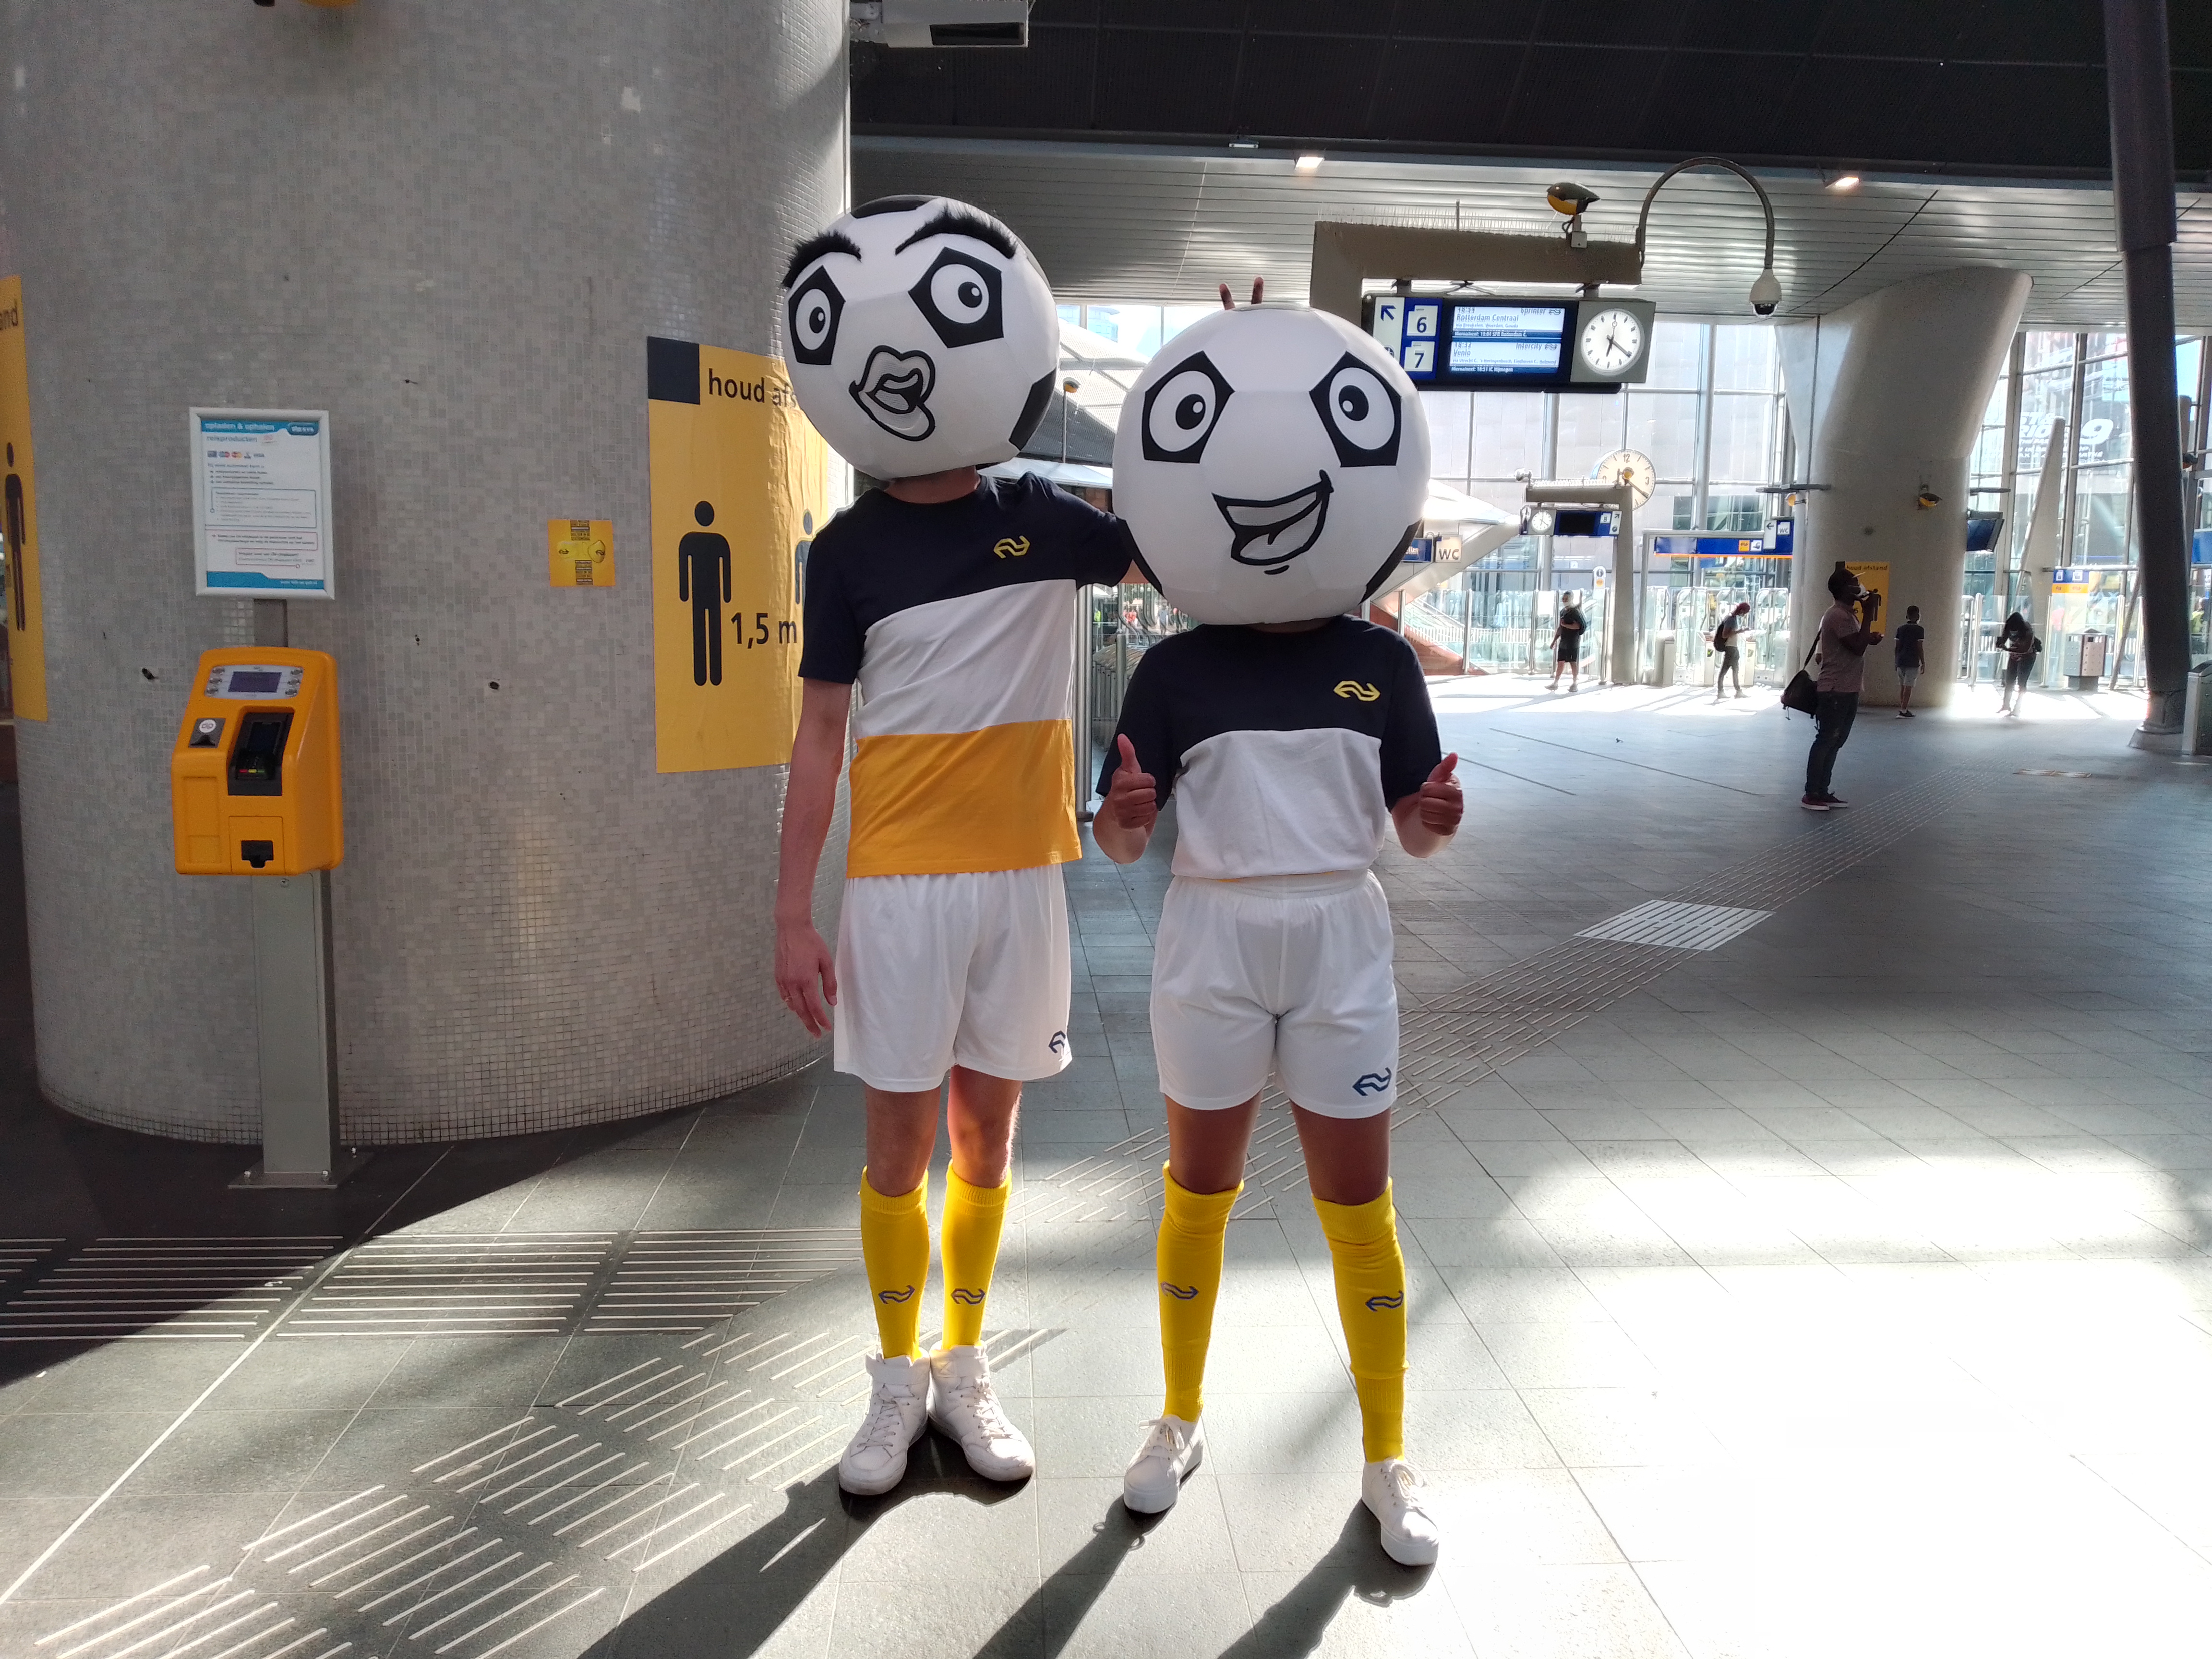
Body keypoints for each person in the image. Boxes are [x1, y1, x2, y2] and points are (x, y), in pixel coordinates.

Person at [775, 197, 1136, 1499]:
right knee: (895, 1151)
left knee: (988, 1143)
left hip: (1022, 880)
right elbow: (819, 736)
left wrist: (1196, 390)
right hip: (898, 889)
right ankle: (892, 1379)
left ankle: (964, 1362)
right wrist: (791, 913)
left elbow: (1190, 539)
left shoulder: (1051, 518)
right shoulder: (846, 552)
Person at [1094, 296, 1455, 1567]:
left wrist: (1430, 818)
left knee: (1361, 1205)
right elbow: (1121, 839)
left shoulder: (1384, 666)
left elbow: (1413, 828)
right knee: (1199, 1190)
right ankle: (1178, 1418)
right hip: (1213, 938)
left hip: (1343, 939)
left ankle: (1388, 1456)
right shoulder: (1175, 670)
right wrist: (1122, 821)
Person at [1803, 565, 1881, 812]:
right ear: (1844, 589)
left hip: (1847, 688)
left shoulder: (1847, 615)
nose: (1859, 587)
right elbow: (1856, 648)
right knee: (1827, 740)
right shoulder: (1837, 615)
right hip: (1835, 689)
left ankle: (1822, 790)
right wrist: (1868, 615)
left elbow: (1856, 642)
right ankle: (1812, 793)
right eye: (1854, 583)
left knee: (1836, 741)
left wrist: (1867, 634)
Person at [1996, 610, 2039, 717]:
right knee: (2009, 681)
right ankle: (2006, 705)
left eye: (2015, 630)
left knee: (2022, 683)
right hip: (2014, 656)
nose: (2013, 632)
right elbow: (2003, 639)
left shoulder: (2028, 630)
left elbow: (2026, 648)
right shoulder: (2009, 628)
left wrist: (2008, 649)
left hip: (2028, 657)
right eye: (2011, 630)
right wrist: (2000, 643)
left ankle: (2018, 708)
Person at [1712, 600, 1751, 700]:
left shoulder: (1731, 618)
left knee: (1734, 670)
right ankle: (1724, 691)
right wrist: (1740, 631)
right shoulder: (1731, 619)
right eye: (1744, 613)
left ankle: (1735, 690)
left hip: (1732, 648)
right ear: (1741, 610)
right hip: (1731, 647)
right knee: (1727, 671)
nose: (1744, 615)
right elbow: (1725, 635)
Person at [1892, 603, 1926, 717]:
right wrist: (1923, 662)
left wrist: (1896, 661)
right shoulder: (1919, 630)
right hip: (1913, 661)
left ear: (1907, 616)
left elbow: (1897, 647)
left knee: (1903, 686)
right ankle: (1903, 710)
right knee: (1909, 686)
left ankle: (1903, 708)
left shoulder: (1901, 629)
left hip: (1901, 660)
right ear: (1918, 616)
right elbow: (1919, 647)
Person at [1548, 593, 1586, 691]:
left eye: (1566, 599)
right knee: (1561, 662)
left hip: (1572, 642)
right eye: (1564, 599)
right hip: (1564, 641)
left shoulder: (1574, 612)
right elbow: (1560, 628)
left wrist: (1565, 626)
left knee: (1573, 662)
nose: (1564, 601)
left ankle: (1575, 683)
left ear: (1571, 599)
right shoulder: (1563, 612)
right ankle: (1556, 683)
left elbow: (1578, 626)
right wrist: (1554, 641)